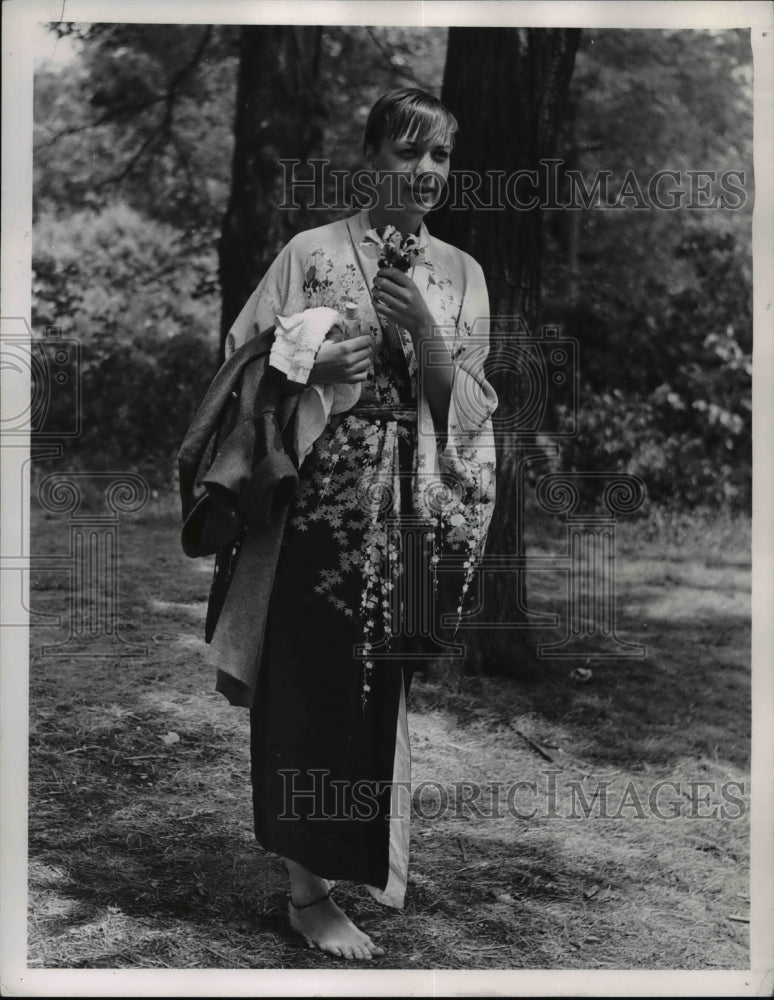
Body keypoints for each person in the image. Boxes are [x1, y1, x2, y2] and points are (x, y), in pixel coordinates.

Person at [220, 88, 498, 960]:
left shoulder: (461, 274)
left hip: (410, 511)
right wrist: (308, 357)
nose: (424, 172)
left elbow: (473, 413)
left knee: (380, 692)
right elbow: (240, 357)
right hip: (319, 510)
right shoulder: (309, 253)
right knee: (304, 683)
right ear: (371, 158)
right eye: (407, 152)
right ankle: (307, 893)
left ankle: (351, 858)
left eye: (440, 157)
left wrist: (430, 339)